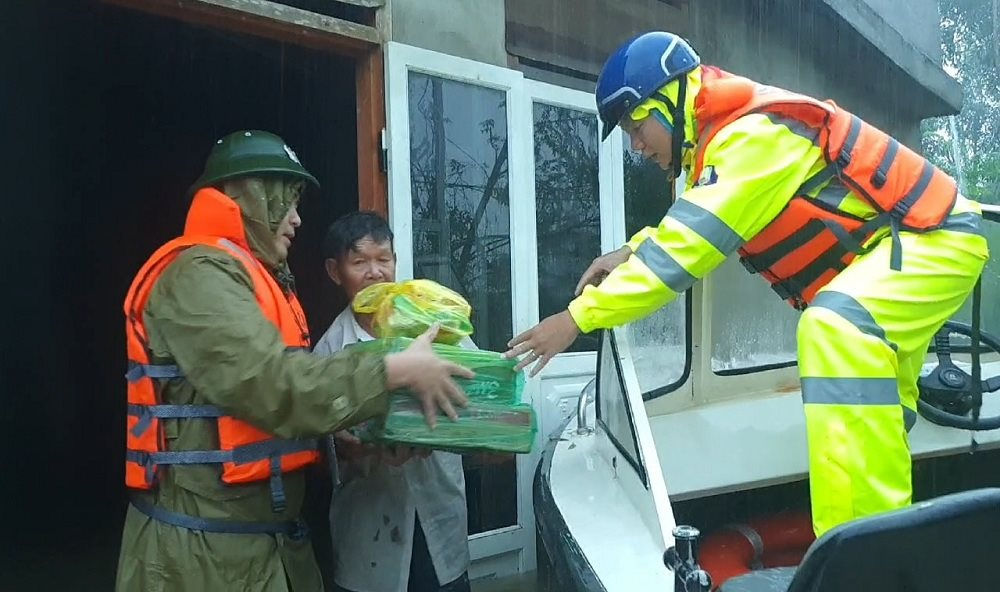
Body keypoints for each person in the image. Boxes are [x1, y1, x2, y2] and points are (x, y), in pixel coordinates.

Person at [505, 32, 989, 537]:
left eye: (636, 123)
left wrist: (573, 320)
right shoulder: (727, 149)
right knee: (880, 418)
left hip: (932, 239)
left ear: (672, 101)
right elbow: (690, 222)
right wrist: (631, 250)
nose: (636, 144)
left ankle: (858, 557)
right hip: (899, 249)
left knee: (835, 329)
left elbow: (682, 253)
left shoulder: (752, 136)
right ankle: (888, 548)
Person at [116, 130, 472, 592]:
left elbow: (282, 413)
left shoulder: (247, 276)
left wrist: (360, 442)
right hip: (204, 554)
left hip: (255, 545)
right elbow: (267, 383)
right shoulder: (199, 273)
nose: (297, 220)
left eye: (384, 258)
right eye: (288, 201)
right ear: (251, 195)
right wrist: (392, 370)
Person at [313, 211, 472, 592]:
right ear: (335, 272)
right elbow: (318, 442)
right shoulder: (329, 351)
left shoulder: (437, 329)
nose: (375, 273)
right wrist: (347, 447)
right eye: (360, 262)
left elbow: (476, 395)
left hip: (438, 512)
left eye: (384, 260)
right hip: (369, 530)